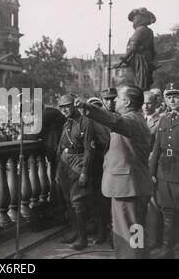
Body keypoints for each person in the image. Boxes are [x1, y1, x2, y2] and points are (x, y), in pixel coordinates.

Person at [76, 86, 154, 259]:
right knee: (133, 234)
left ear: (127, 102)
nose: (115, 100)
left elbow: (113, 121)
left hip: (129, 189)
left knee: (130, 236)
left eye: (118, 97)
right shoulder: (135, 119)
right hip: (130, 187)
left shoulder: (131, 120)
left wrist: (89, 108)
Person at [56, 95, 95, 250]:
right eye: (61, 107)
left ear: (74, 105)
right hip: (65, 164)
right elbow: (60, 148)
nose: (64, 109)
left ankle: (82, 238)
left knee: (77, 201)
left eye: (67, 106)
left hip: (78, 162)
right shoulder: (66, 123)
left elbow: (89, 149)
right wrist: (58, 170)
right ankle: (74, 231)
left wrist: (85, 171)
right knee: (68, 200)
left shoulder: (85, 122)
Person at [149, 82, 179, 259]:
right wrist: (152, 172)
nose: (172, 100)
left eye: (176, 96)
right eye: (169, 97)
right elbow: (156, 148)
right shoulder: (163, 119)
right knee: (167, 211)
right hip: (163, 173)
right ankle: (167, 249)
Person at [87, 97, 111, 245]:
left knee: (106, 199)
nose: (96, 109)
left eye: (98, 107)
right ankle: (102, 230)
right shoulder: (89, 122)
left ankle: (108, 231)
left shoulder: (107, 122)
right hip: (96, 164)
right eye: (93, 107)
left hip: (107, 162)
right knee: (98, 199)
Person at [142, 91, 163, 250]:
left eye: (149, 103)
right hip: (136, 167)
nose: (146, 106)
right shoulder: (138, 118)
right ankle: (139, 239)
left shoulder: (161, 120)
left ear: (156, 103)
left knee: (152, 206)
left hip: (150, 167)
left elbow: (158, 150)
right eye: (143, 103)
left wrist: (153, 171)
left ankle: (153, 240)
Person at [119, 8, 157, 91]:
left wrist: (124, 59)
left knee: (140, 83)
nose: (133, 21)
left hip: (140, 59)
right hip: (147, 58)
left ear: (139, 18)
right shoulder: (150, 31)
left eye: (134, 18)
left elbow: (133, 47)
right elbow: (153, 50)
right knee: (145, 82)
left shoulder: (139, 30)